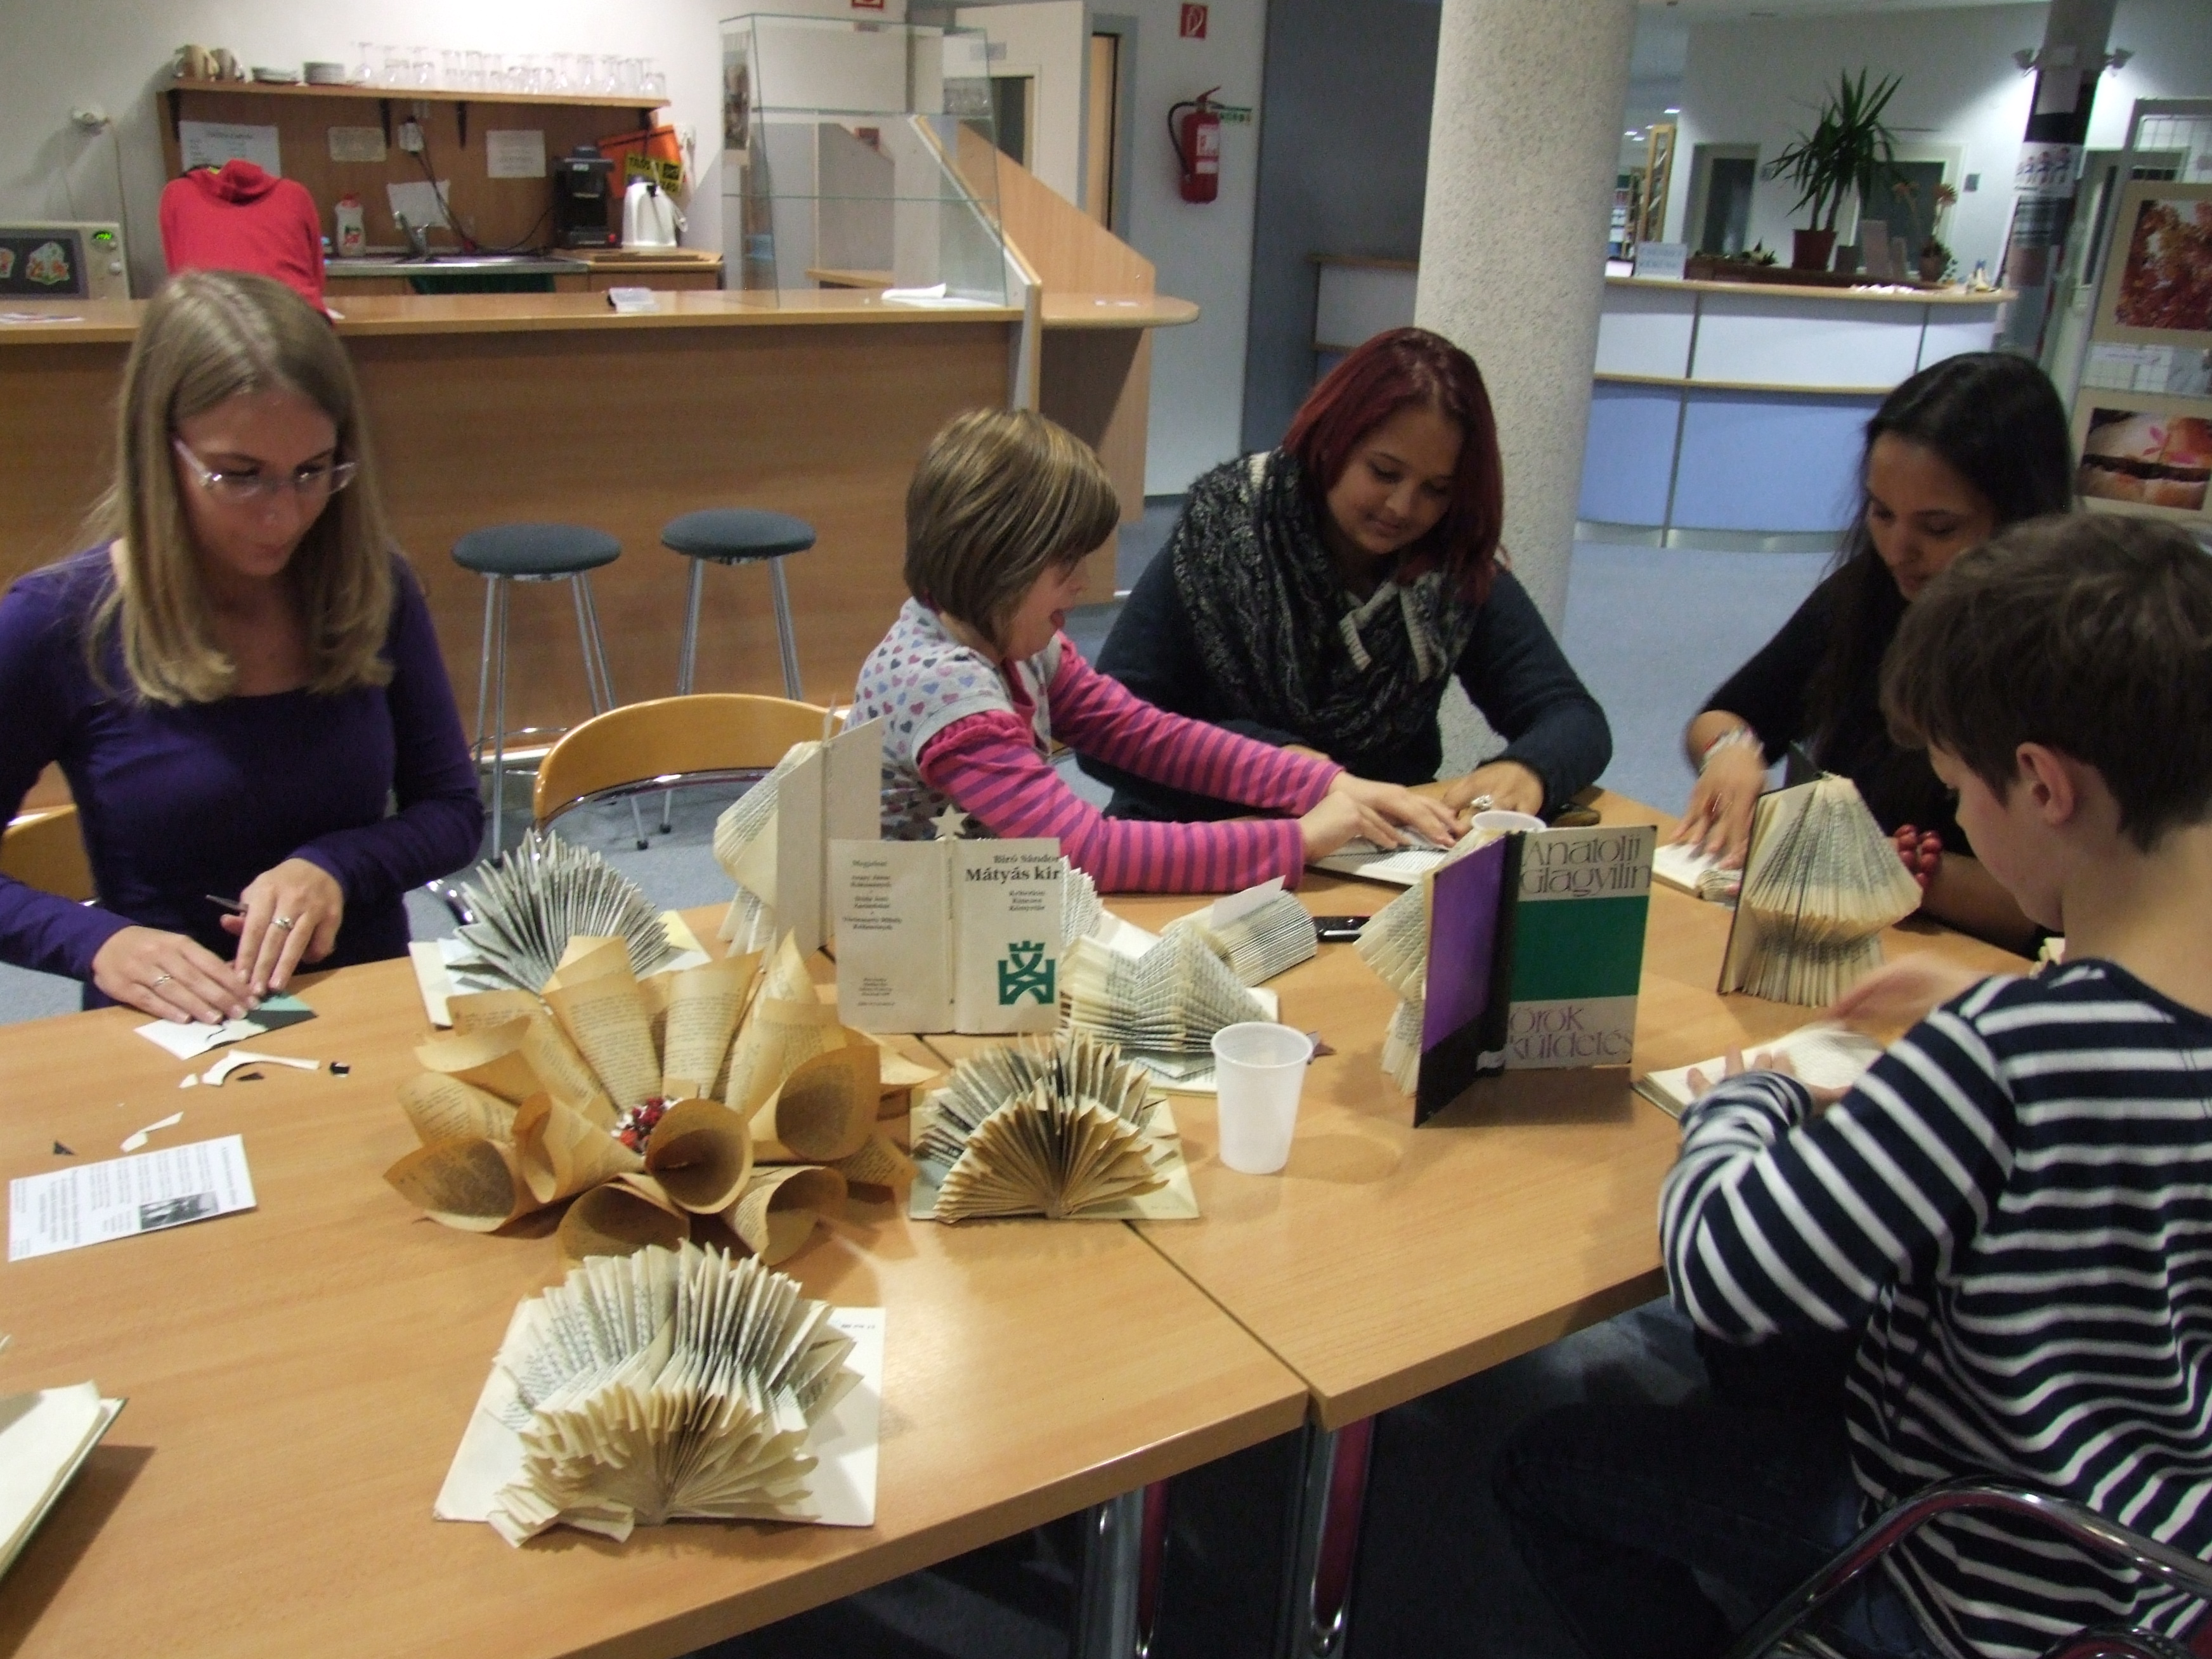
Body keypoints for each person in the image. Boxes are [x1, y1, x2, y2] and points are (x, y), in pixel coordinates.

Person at [1496, 514, 2212, 1659]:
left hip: (1964, 1580)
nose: (1956, 819)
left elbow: (1725, 1271)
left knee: (1544, 1463)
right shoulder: (2103, 1023)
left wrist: (1750, 1100)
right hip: (2153, 1571)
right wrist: (1998, 1002)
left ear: (2040, 784)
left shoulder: (2010, 1057)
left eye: (1957, 792)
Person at [0, 270, 482, 1021]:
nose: (283, 516)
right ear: (161, 453)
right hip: (169, 1028)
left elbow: (452, 811)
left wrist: (335, 866)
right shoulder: (56, 622)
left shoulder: (372, 586)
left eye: (312, 471)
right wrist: (99, 942)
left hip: (358, 1006)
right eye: (240, 476)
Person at [850, 407, 1460, 892]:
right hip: (910, 949)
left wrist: (1324, 783)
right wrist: (1296, 841)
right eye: (1066, 562)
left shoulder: (1013, 641)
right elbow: (1085, 852)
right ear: (997, 562)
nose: (1083, 583)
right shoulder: (946, 688)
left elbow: (1147, 735)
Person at [1083, 327, 1610, 823]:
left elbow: (1572, 717)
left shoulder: (1449, 569)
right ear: (1332, 441)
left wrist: (1529, 769)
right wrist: (1276, 766)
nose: (1403, 507)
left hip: (1372, 854)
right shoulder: (1227, 533)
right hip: (1196, 839)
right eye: (1384, 472)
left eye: (1436, 490)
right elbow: (1105, 732)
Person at [1673, 351, 2072, 952]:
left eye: (1939, 528)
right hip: (1848, 932)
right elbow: (1731, 714)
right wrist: (1731, 751)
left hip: (1973, 959)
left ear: (2021, 519)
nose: (1897, 549)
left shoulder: (2069, 653)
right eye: (1882, 513)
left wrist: (1890, 867)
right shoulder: (1869, 593)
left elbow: (2065, 907)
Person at [159, 159, 327, 310]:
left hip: (208, 315)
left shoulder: (177, 194)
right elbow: (317, 278)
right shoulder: (295, 195)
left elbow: (177, 274)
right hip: (294, 315)